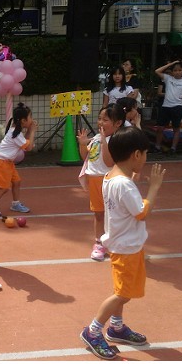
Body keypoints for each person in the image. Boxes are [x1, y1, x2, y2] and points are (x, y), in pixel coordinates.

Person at [79, 127, 166, 360]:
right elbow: (141, 213)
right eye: (145, 154)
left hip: (125, 245)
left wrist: (134, 181)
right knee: (123, 294)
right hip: (126, 248)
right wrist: (154, 187)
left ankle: (116, 327)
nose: (145, 159)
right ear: (136, 155)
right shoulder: (124, 184)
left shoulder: (111, 176)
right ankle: (92, 331)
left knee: (122, 290)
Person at [77, 105, 126, 261]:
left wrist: (104, 141)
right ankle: (99, 243)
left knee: (114, 214)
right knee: (98, 213)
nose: (100, 122)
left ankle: (118, 242)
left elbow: (109, 162)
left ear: (117, 123)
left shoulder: (117, 140)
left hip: (109, 181)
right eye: (99, 119)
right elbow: (85, 157)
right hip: (94, 180)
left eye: (105, 120)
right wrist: (83, 144)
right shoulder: (97, 138)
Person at [0, 102, 38, 217]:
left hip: (7, 162)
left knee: (16, 182)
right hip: (1, 162)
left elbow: (25, 142)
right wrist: (32, 131)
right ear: (23, 120)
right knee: (3, 188)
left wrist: (29, 130)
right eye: (30, 117)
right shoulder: (15, 134)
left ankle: (15, 204)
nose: (32, 119)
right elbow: (29, 147)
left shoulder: (16, 132)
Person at [153, 60, 182, 154]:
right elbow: (157, 71)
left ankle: (173, 148)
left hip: (177, 106)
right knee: (160, 128)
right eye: (175, 70)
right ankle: (157, 147)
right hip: (166, 106)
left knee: (176, 128)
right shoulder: (168, 78)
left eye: (179, 70)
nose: (177, 72)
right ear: (172, 71)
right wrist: (171, 63)